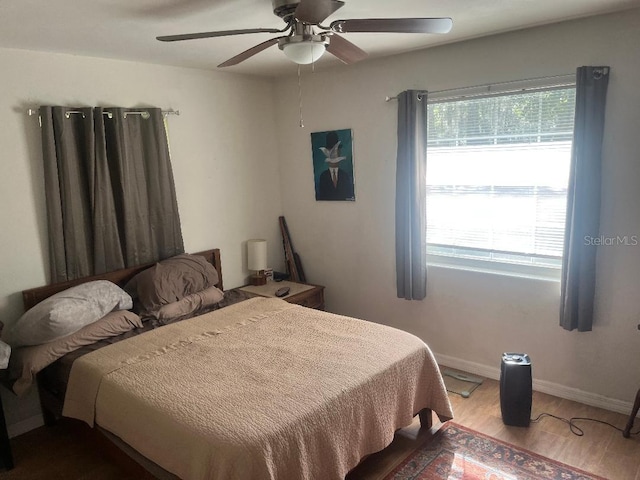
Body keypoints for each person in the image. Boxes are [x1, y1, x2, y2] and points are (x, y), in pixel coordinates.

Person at [315, 131, 354, 201]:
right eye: (331, 150)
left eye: (336, 150)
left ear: (339, 152)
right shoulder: (323, 177)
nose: (334, 153)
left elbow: (349, 196)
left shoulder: (345, 176)